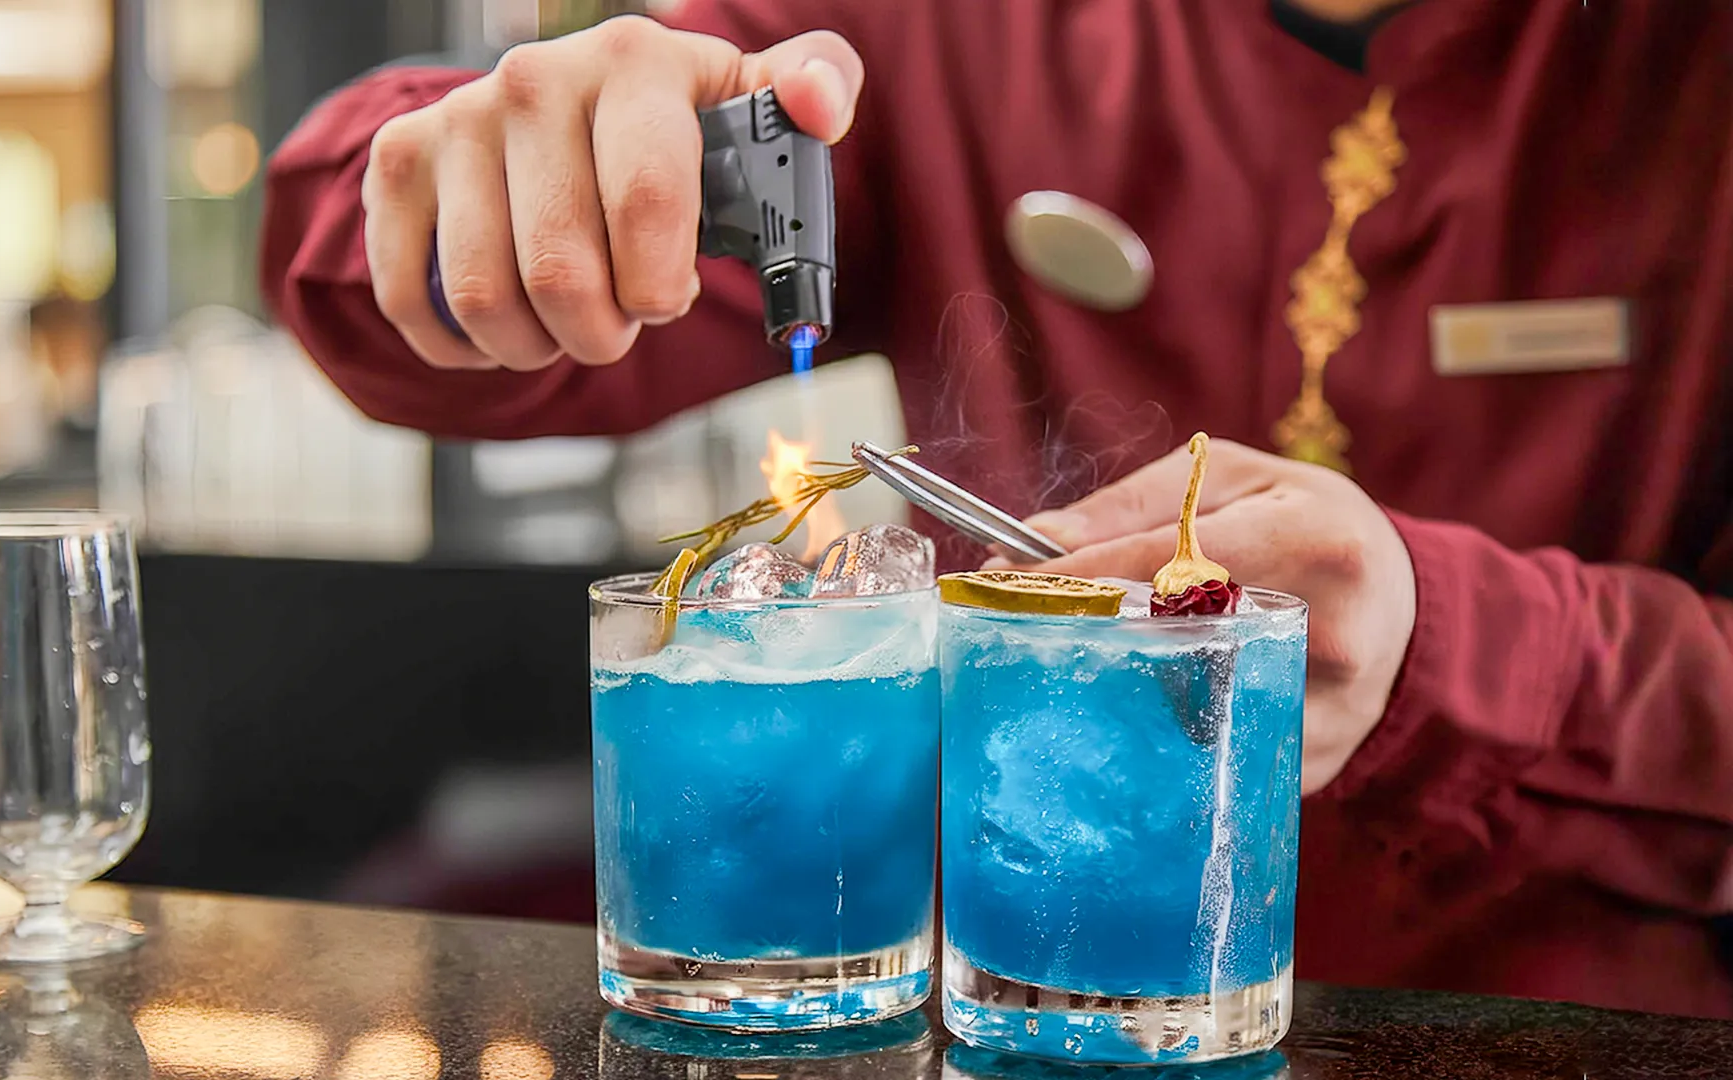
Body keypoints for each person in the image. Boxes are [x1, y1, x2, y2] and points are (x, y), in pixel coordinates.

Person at [261, 0, 1733, 1018]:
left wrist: (1476, 654)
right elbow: (395, 272)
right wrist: (485, 172)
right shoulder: (939, 34)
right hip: (1018, 1006)